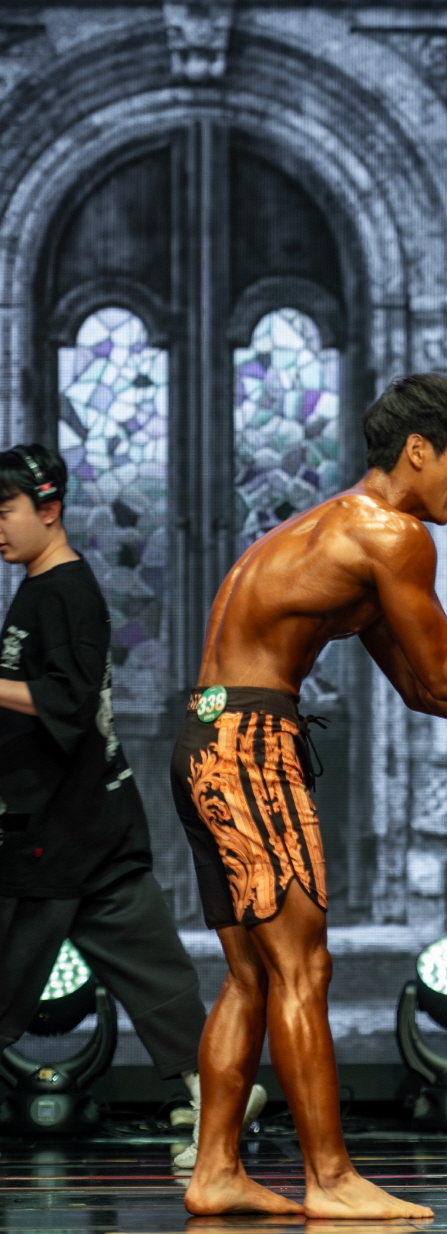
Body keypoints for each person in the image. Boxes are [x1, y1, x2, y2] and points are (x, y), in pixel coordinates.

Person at [174, 373, 447, 1221]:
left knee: (252, 976)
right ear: (418, 450)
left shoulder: (341, 529)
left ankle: (217, 1169)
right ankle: (329, 1177)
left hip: (205, 739)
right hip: (250, 748)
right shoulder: (391, 534)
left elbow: (424, 690)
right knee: (303, 967)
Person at [0, 443, 237, 1154]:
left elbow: (69, 703)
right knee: (158, 975)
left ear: (49, 509)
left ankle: (217, 1102)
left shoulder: (67, 591)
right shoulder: (38, 587)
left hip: (56, 838)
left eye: (6, 509)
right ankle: (216, 1094)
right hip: (87, 826)